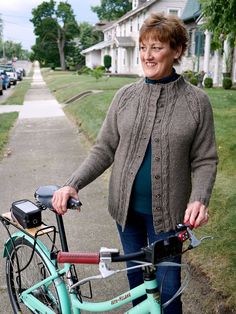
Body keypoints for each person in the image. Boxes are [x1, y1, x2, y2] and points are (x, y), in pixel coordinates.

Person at [52, 13, 218, 314]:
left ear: (177, 50)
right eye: (143, 47)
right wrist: (71, 184)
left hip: (168, 219)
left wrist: (199, 198)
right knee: (137, 287)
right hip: (126, 213)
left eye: (156, 47)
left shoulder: (197, 102)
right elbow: (104, 149)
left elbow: (205, 159)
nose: (147, 55)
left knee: (168, 295)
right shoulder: (125, 97)